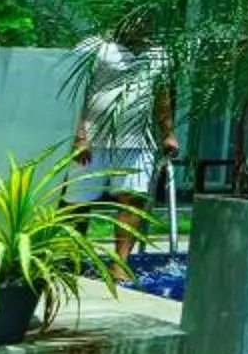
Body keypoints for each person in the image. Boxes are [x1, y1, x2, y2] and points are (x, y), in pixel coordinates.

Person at [73, 35, 174, 268]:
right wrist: (79, 136)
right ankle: (72, 259)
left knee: (132, 200)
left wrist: (168, 133)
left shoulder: (159, 53)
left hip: (138, 141)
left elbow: (162, 95)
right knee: (77, 202)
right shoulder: (94, 46)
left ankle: (120, 264)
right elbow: (76, 92)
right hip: (92, 140)